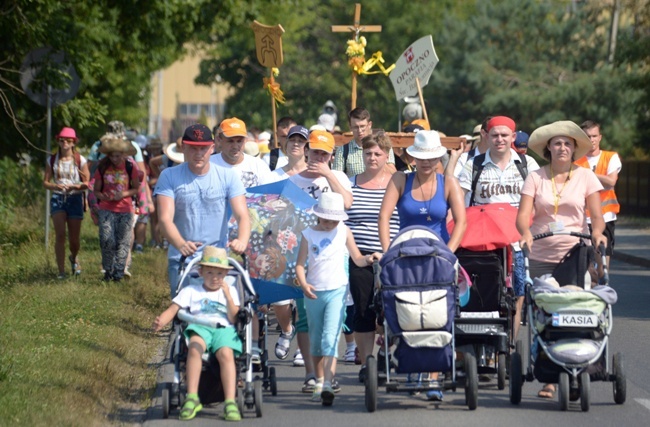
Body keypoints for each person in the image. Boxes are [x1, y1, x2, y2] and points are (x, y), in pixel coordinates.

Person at [516, 120, 606, 400]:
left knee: (575, 315)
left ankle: (579, 368)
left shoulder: (586, 176)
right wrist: (525, 233)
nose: (563, 147)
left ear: (574, 148)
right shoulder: (536, 177)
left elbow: (597, 216)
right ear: (548, 149)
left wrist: (599, 235)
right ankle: (550, 377)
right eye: (557, 143)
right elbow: (523, 215)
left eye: (568, 143)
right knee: (546, 318)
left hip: (574, 254)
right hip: (541, 254)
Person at [378, 130, 466, 402]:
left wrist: (448, 253)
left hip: (438, 258)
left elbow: (461, 222)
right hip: (405, 255)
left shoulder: (448, 182)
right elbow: (384, 216)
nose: (426, 162)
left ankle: (434, 375)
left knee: (437, 310)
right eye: (420, 157)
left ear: (439, 157)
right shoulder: (400, 179)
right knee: (407, 308)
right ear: (412, 158)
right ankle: (411, 362)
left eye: (431, 157)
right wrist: (386, 253)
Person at [457, 116, 540, 339]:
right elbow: (458, 198)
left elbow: (537, 202)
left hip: (515, 236)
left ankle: (510, 337)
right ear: (486, 136)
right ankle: (475, 334)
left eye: (505, 135)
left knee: (518, 285)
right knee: (482, 285)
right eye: (495, 135)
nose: (499, 139)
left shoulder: (527, 165)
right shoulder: (473, 165)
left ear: (513, 137)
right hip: (482, 237)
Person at [295, 192, 381, 406]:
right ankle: (319, 379)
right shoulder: (307, 234)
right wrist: (304, 284)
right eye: (325, 219)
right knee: (315, 338)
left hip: (337, 290)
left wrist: (370, 258)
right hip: (314, 292)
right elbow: (299, 265)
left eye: (333, 220)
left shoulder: (344, 231)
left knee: (331, 336)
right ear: (318, 216)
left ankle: (327, 383)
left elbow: (358, 259)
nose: (329, 224)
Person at [289, 129, 353, 392]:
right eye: (314, 151)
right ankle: (310, 373)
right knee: (305, 317)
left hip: (336, 253)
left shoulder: (338, 176)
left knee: (333, 319)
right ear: (306, 151)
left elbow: (347, 203)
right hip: (303, 252)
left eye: (324, 154)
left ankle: (328, 374)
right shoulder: (293, 180)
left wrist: (328, 175)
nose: (318, 157)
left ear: (332, 156)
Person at [155, 123, 250, 298]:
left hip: (217, 258)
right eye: (193, 148)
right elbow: (164, 219)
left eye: (204, 149)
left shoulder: (228, 176)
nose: (199, 154)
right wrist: (180, 244)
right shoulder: (169, 176)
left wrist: (241, 241)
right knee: (184, 312)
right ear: (183, 147)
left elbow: (242, 215)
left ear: (212, 148)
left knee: (220, 312)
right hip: (181, 258)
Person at [153, 246, 242, 421]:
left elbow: (233, 318)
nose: (214, 278)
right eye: (209, 273)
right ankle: (192, 397)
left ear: (225, 275)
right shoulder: (192, 291)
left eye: (219, 274)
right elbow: (174, 309)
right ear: (200, 272)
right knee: (194, 348)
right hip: (200, 327)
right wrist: (162, 320)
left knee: (226, 353)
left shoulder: (230, 291)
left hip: (223, 328)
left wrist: (229, 298)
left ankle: (230, 401)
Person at [346, 132, 400, 383]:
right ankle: (368, 360)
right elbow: (343, 225)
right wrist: (358, 256)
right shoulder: (350, 183)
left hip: (395, 256)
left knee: (395, 310)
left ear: (387, 155)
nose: (372, 157)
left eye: (378, 153)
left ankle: (386, 355)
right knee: (363, 309)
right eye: (368, 153)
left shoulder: (399, 183)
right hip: (361, 257)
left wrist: (390, 252)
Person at [43, 127, 90, 279]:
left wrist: (76, 186)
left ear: (73, 143)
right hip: (58, 197)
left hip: (75, 197)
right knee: (60, 235)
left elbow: (88, 182)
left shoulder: (80, 160)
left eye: (68, 140)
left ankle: (74, 256)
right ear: (58, 141)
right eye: (62, 140)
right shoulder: (52, 160)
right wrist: (55, 186)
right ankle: (61, 271)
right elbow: (45, 182)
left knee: (74, 240)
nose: (65, 143)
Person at [575, 120, 621, 273]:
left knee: (603, 262)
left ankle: (603, 287)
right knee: (585, 265)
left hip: (605, 216)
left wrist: (588, 174)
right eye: (588, 136)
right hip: (581, 218)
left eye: (594, 136)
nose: (592, 140)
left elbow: (611, 181)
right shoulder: (576, 160)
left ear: (600, 137)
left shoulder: (610, 157)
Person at [93, 135, 141, 282]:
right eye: (112, 156)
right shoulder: (102, 166)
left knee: (123, 241)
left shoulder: (130, 166)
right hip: (106, 208)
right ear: (108, 155)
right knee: (107, 239)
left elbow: (136, 188)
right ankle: (108, 271)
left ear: (123, 155)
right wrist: (103, 196)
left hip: (125, 209)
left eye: (118, 156)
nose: (115, 159)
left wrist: (124, 194)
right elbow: (96, 190)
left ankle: (119, 273)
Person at [211, 117, 275, 188]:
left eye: (239, 141)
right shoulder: (208, 165)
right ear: (219, 140)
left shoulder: (259, 166)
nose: (235, 146)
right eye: (230, 141)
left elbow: (270, 196)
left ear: (245, 140)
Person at [332, 107, 395, 177]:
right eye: (356, 127)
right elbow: (336, 178)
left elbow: (393, 173)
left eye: (362, 126)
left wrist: (380, 159)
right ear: (350, 127)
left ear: (369, 125)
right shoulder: (342, 151)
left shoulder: (384, 146)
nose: (359, 131)